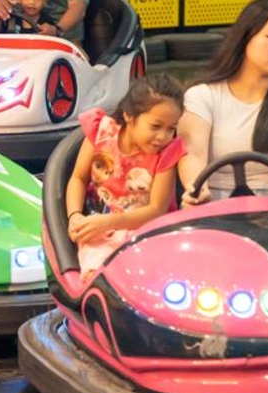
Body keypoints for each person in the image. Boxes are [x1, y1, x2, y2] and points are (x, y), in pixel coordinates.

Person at [178, 0, 268, 204]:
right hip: (212, 206)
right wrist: (198, 193)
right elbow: (193, 155)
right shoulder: (201, 96)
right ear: (246, 37)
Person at [65, 75, 186, 279]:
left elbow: (157, 210)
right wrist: (75, 215)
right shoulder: (101, 132)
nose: (163, 137)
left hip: (148, 232)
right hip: (98, 228)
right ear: (129, 116)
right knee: (98, 274)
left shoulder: (166, 153)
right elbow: (78, 178)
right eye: (155, 126)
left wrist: (110, 222)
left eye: (171, 129)